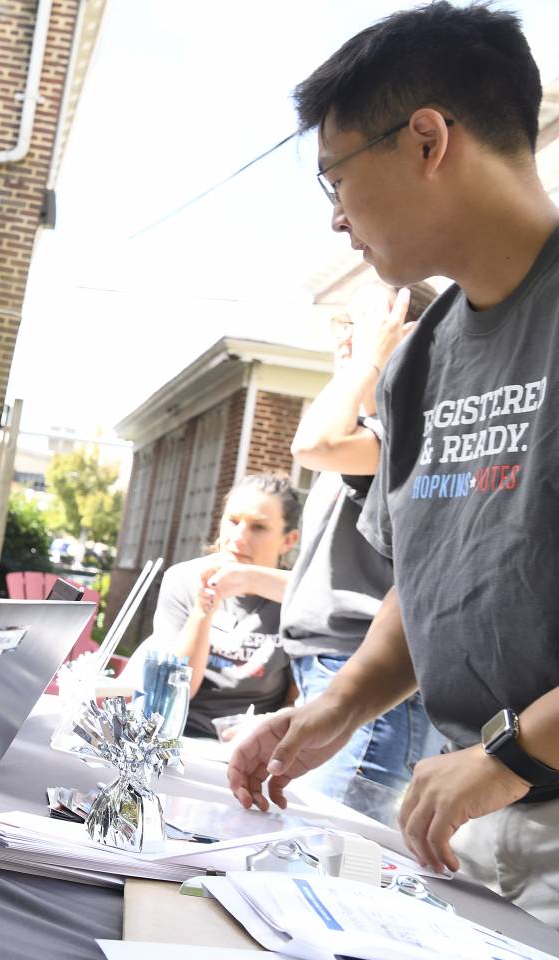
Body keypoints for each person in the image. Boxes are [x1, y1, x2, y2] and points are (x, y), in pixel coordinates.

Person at [226, 1, 559, 924]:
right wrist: (334, 709)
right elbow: (432, 582)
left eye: (334, 177)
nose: (335, 219)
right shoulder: (420, 358)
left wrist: (512, 756)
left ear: (426, 140)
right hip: (471, 818)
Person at [281, 279, 441, 820]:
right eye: (345, 324)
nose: (347, 338)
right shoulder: (370, 430)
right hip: (332, 670)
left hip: (369, 679)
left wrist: (369, 360)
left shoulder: (408, 431)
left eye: (365, 322)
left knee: (323, 854)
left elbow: (312, 445)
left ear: (410, 332)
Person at [119, 474, 301, 738]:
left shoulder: (299, 598)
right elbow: (173, 689)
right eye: (233, 521)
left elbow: (298, 700)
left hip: (251, 746)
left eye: (258, 527)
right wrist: (202, 611)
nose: (238, 538)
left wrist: (268, 731)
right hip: (172, 734)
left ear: (288, 540)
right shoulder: (184, 579)